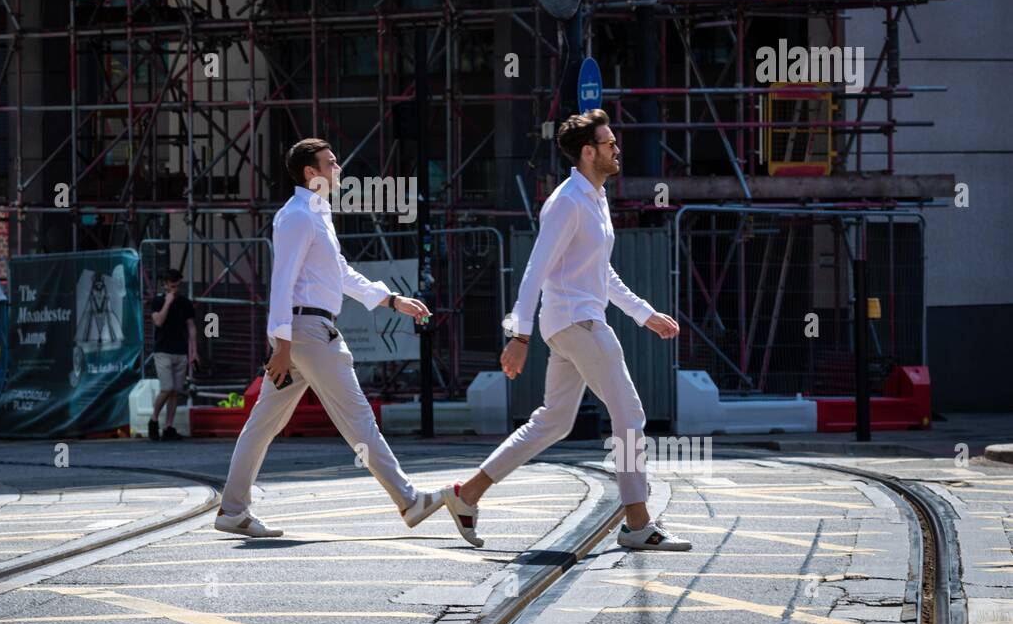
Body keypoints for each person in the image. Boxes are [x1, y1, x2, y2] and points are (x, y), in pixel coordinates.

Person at [439, 110, 693, 551]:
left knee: (552, 422)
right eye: (610, 143)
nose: (617, 149)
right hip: (577, 321)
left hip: (574, 321)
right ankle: (637, 523)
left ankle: (468, 495)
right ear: (588, 151)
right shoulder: (567, 201)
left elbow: (601, 270)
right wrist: (518, 336)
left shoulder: (595, 197)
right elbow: (536, 268)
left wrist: (643, 313)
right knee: (630, 415)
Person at [214, 138, 451, 538]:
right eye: (331, 162)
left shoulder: (318, 215)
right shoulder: (297, 217)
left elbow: (339, 273)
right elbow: (282, 280)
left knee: (262, 424)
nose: (338, 168)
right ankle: (409, 501)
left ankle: (233, 510)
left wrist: (391, 299)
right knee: (359, 420)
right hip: (307, 333)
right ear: (311, 173)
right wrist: (282, 344)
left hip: (307, 332)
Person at [148, 268, 197, 441]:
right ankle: (154, 419)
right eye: (172, 285)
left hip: (180, 350)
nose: (176, 289)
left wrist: (194, 351)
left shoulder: (185, 302)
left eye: (178, 285)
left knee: (175, 390)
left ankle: (169, 426)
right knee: (166, 388)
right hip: (163, 351)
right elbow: (158, 321)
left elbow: (191, 326)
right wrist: (167, 303)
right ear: (166, 285)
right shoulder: (157, 301)